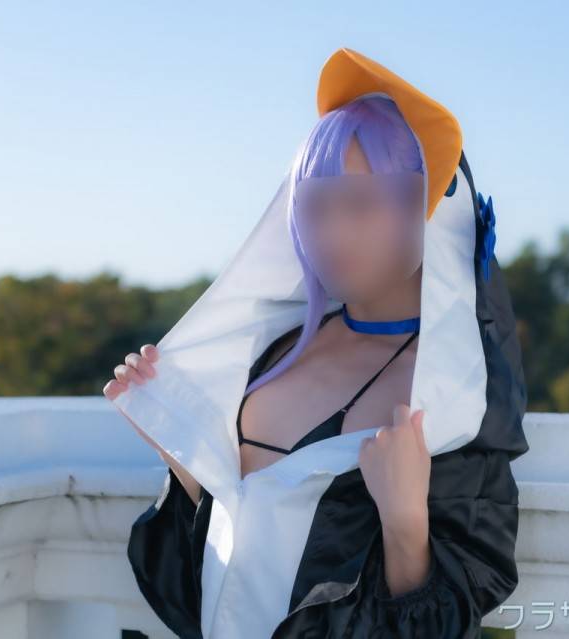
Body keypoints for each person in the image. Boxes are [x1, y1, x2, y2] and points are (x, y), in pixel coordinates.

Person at [104, 47, 529, 639]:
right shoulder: (274, 353)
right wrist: (183, 449)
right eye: (313, 206)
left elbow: (445, 615)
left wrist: (406, 522)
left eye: (361, 203)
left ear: (428, 212)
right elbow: (225, 574)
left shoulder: (451, 394)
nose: (332, 232)